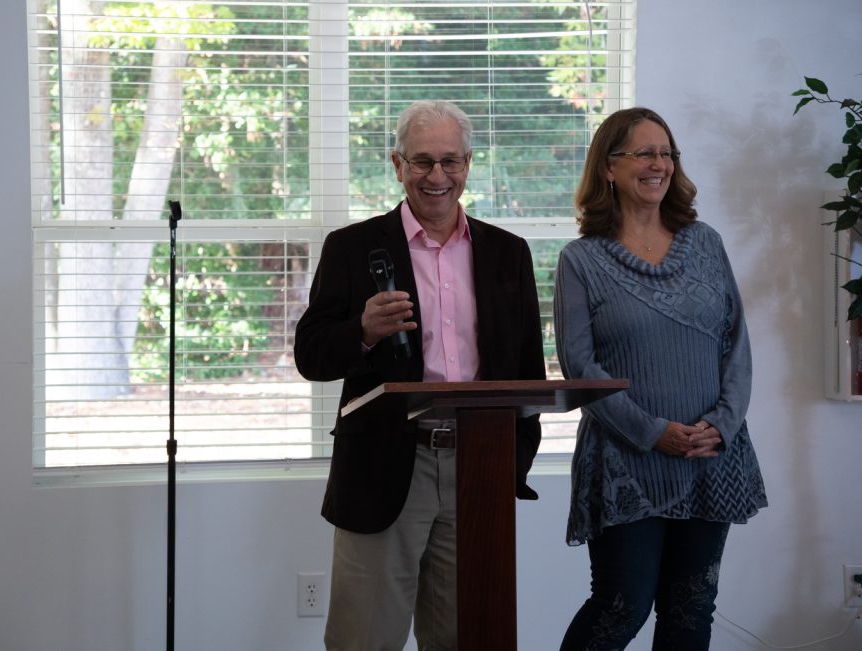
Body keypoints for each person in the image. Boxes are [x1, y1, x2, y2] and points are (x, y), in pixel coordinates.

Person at [294, 100, 546, 650]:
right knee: (364, 641)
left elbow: (528, 369)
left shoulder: (508, 253)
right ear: (397, 164)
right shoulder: (352, 248)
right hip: (383, 469)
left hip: (480, 466)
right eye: (423, 162)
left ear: (468, 164)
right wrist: (362, 331)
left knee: (468, 637)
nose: (437, 176)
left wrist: (511, 463)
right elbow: (311, 356)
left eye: (450, 161)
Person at [553, 107, 768, 650]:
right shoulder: (581, 260)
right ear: (608, 167)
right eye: (644, 153)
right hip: (626, 462)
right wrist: (652, 433)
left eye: (667, 153)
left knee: (691, 610)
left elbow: (736, 344)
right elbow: (580, 367)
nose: (659, 164)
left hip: (709, 457)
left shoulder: (706, 243)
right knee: (622, 605)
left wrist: (721, 425)